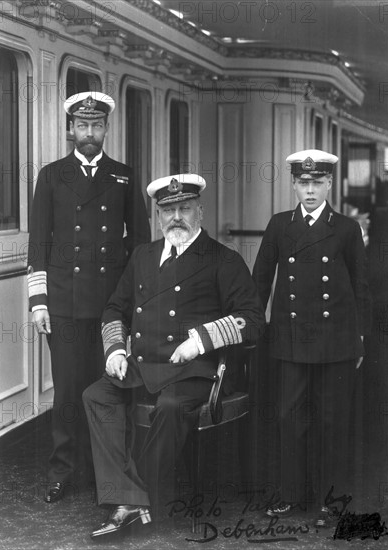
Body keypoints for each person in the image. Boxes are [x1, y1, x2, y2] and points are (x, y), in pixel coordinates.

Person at [83, 173, 265, 538]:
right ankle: (130, 498)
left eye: (184, 208)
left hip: (196, 370)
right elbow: (115, 308)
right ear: (158, 216)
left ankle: (135, 498)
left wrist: (199, 340)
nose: (176, 217)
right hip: (143, 365)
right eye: (168, 210)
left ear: (200, 211)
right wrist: (116, 349)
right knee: (96, 395)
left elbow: (254, 320)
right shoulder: (143, 255)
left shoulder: (222, 259)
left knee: (169, 407)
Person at [27, 91, 151, 503]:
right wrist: (38, 302)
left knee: (109, 390)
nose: (89, 133)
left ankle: (108, 475)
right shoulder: (50, 175)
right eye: (82, 126)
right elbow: (38, 244)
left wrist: (135, 304)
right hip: (62, 304)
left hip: (109, 307)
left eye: (97, 126)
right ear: (70, 129)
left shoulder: (125, 176)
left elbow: (140, 246)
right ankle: (62, 471)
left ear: (106, 128)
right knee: (66, 393)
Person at [252, 149, 371, 526]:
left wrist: (361, 338)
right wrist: (255, 327)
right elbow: (260, 281)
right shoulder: (279, 225)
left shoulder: (347, 229)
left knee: (332, 422)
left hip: (335, 341)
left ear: (330, 184)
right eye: (303, 183)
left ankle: (331, 500)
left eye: (317, 182)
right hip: (289, 339)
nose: (309, 190)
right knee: (290, 420)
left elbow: (361, 288)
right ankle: (291, 495)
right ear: (293, 184)